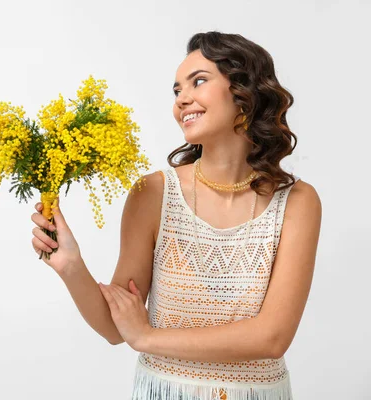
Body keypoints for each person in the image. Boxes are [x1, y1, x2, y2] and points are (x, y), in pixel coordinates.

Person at [30, 31, 322, 400]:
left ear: (245, 95)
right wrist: (71, 266)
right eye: (176, 90)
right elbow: (116, 327)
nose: (182, 99)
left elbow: (272, 337)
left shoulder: (297, 202)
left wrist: (149, 337)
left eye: (198, 81)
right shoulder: (153, 194)